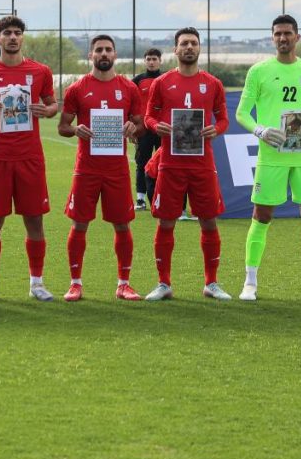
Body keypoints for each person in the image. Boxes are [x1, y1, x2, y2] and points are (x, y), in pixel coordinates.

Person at [235, 14, 301, 301]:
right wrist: (261, 129)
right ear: (272, 38)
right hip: (272, 156)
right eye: (278, 33)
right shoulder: (258, 71)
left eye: (287, 33)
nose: (283, 38)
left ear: (297, 37)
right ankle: (250, 282)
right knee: (262, 215)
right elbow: (241, 113)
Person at [0, 15, 59, 301]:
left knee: (35, 220)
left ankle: (37, 283)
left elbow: (52, 104)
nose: (12, 37)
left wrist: (47, 111)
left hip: (30, 157)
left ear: (22, 38)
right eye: (7, 33)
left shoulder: (40, 71)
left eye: (17, 33)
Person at [144, 27, 231, 301]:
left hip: (202, 163)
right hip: (170, 163)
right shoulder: (162, 83)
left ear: (200, 48)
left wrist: (215, 129)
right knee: (166, 222)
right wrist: (158, 126)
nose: (189, 47)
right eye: (184, 44)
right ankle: (164, 283)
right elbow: (148, 117)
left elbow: (224, 120)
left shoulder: (213, 83)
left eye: (194, 43)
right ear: (175, 49)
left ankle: (211, 283)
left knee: (208, 221)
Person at [58, 35, 145, 301]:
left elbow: (141, 126)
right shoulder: (76, 89)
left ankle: (124, 284)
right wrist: (75, 130)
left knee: (122, 225)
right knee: (79, 224)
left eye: (108, 49)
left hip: (117, 169)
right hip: (86, 168)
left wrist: (134, 129)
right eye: (99, 50)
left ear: (115, 55)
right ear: (91, 55)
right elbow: (62, 127)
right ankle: (75, 283)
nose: (103, 54)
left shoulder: (129, 88)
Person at [131, 48, 162, 210]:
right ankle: (141, 199)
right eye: (148, 59)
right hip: (143, 130)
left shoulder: (166, 79)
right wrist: (133, 129)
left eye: (154, 59)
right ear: (145, 61)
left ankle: (161, 196)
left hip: (162, 129)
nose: (151, 62)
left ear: (160, 61)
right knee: (142, 162)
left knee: (164, 164)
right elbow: (130, 105)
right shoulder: (137, 81)